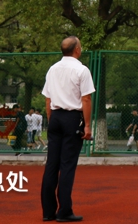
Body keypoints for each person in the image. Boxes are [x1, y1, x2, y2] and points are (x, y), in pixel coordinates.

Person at [41, 36, 94, 223]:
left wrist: (51, 119)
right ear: (77, 50)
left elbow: (48, 99)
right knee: (67, 165)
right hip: (72, 118)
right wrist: (87, 125)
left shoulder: (53, 69)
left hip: (55, 116)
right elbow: (86, 99)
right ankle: (64, 211)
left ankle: (48, 211)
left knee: (52, 164)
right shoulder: (82, 70)